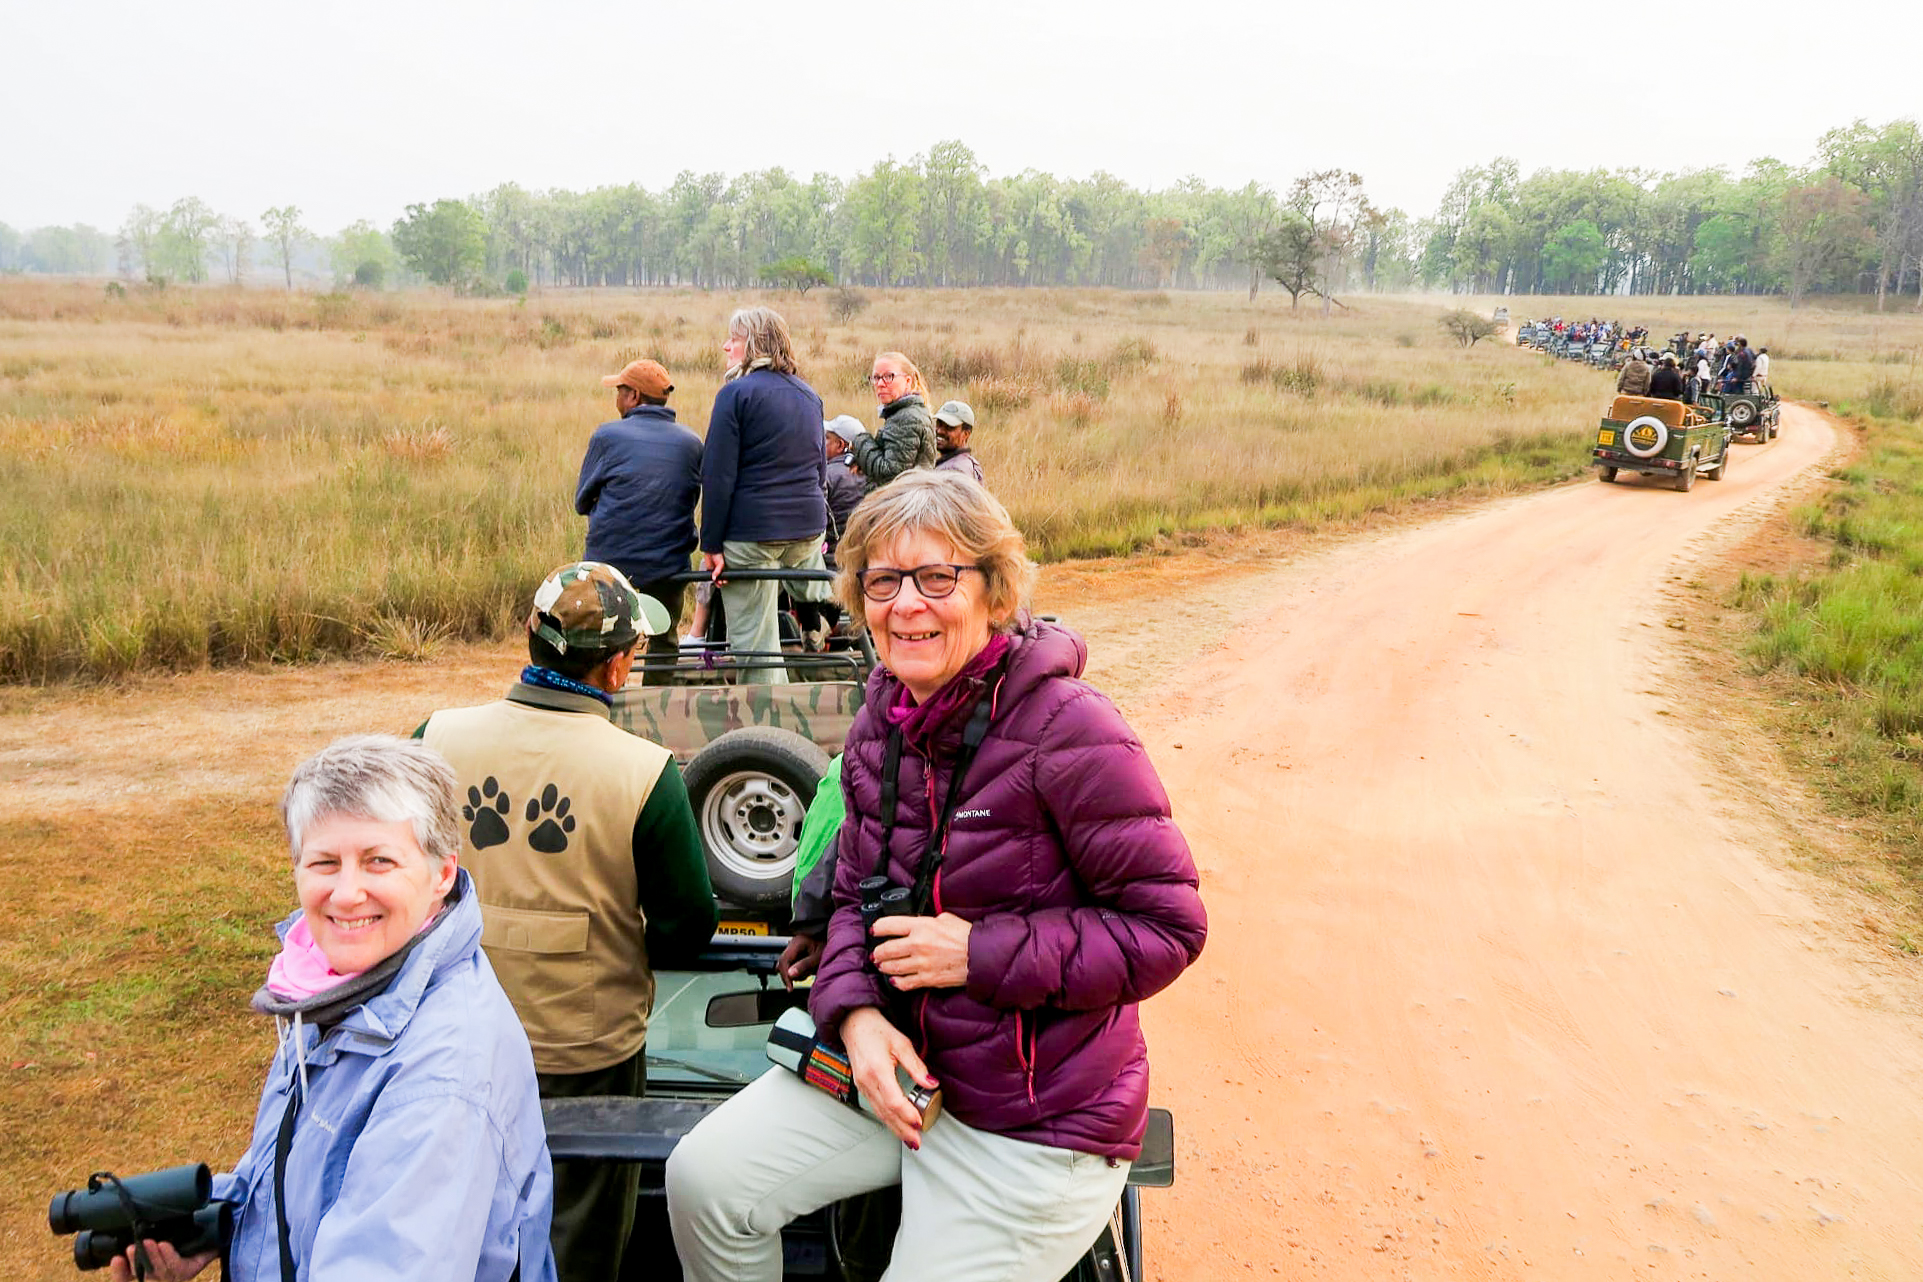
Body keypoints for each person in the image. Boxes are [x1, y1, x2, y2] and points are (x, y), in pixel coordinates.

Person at [666, 471, 1209, 1282]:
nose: (906, 604)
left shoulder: (1072, 731)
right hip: (899, 1071)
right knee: (705, 1183)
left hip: (1033, 1116)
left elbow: (1167, 929)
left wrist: (981, 952)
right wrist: (854, 1017)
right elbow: (850, 895)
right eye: (882, 580)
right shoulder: (881, 719)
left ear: (994, 593)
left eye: (937, 576)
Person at [110, 736, 558, 1282]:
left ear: (442, 873)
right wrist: (218, 1222)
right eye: (325, 862)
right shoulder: (341, 988)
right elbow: (312, 1161)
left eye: (379, 861)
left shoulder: (441, 1077)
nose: (347, 894)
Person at [419, 562, 718, 1282]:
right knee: (580, 1229)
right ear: (617, 666)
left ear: (530, 635)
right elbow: (687, 922)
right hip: (582, 1042)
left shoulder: (436, 735)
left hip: (452, 1027)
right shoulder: (644, 771)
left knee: (456, 1209)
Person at [702, 306, 831, 685]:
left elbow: (718, 475)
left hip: (752, 533)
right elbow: (820, 471)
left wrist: (711, 544)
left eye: (735, 340)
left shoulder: (735, 394)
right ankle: (816, 603)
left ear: (755, 344)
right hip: (808, 529)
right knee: (805, 559)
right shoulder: (810, 395)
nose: (726, 347)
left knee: (756, 645)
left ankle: (770, 727)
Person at [576, 358, 702, 685]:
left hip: (612, 563)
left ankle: (601, 698)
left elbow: (581, 501)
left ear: (633, 396)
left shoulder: (607, 436)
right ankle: (658, 703)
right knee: (665, 636)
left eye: (619, 390)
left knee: (603, 635)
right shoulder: (691, 443)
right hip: (669, 565)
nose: (616, 397)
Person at [849, 351, 938, 492]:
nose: (880, 383)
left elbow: (890, 475)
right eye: (876, 377)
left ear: (908, 381)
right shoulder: (905, 412)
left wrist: (861, 442)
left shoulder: (906, 418)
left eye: (889, 376)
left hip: (905, 506)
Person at [823, 416, 868, 567]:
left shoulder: (826, 475)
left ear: (840, 445)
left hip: (830, 558)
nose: (822, 442)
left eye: (827, 438)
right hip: (863, 556)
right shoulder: (872, 474)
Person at [932, 399, 985, 486]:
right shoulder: (967, 463)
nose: (940, 431)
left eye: (949, 427)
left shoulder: (954, 471)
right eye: (939, 424)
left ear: (966, 434)